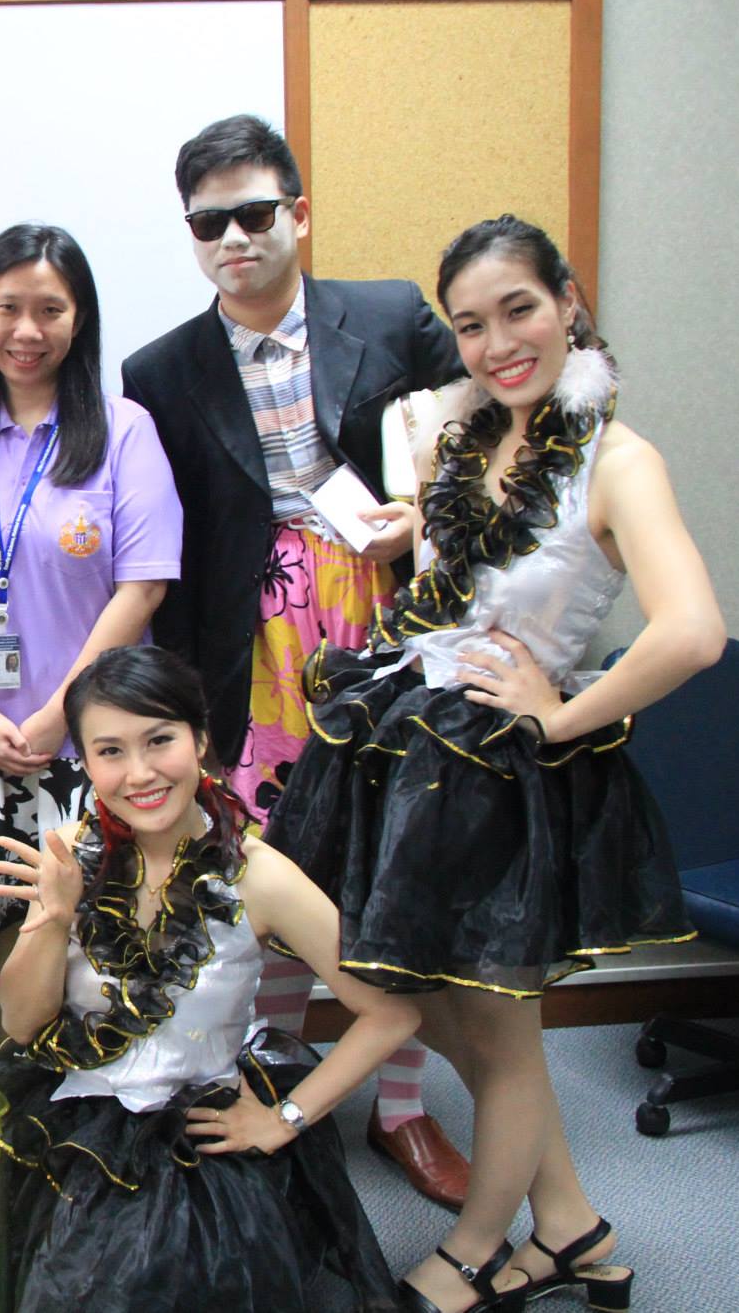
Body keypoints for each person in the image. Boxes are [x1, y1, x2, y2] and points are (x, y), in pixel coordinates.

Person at [263, 216, 722, 1312]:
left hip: (496, 774)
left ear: (567, 301)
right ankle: (569, 1226)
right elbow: (462, 585)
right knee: (445, 1010)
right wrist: (407, 531)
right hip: (412, 746)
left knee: (499, 1032)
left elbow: (692, 631)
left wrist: (560, 717)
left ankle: (476, 1250)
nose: (496, 344)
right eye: (470, 325)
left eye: (518, 310)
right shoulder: (464, 437)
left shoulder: (617, 460)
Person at [119, 114, 470, 1207]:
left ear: (298, 214)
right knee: (270, 865)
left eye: (254, 213)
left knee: (405, 864)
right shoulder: (158, 370)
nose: (234, 238)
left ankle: (402, 1108)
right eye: (208, 223)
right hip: (252, 654)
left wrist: (427, 521)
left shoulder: (390, 314)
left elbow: (484, 440)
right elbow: (170, 549)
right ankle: (276, 1073)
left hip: (388, 629)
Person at [0, 644, 421, 1313]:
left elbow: (391, 1014)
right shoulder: (72, 853)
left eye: (159, 740)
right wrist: (54, 918)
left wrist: (285, 1120)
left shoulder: (260, 876)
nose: (139, 773)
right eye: (110, 751)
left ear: (198, 740)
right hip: (73, 1119)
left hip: (196, 1136)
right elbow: (21, 1025)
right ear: (85, 762)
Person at [0, 223, 181, 1015]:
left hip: (95, 746)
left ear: (80, 319)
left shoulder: (124, 430)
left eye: (50, 310)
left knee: (100, 950)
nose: (27, 331)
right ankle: (13, 1080)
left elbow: (142, 589)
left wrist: (58, 711)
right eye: (8, 308)